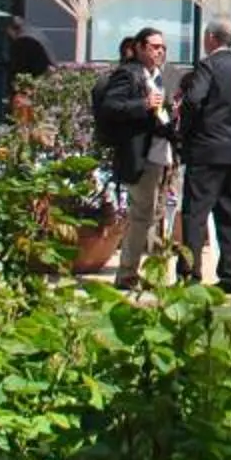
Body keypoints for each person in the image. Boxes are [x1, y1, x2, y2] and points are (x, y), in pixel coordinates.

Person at [172, 20, 231, 293]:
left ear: (210, 37)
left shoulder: (208, 66)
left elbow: (194, 100)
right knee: (230, 215)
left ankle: (190, 274)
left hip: (206, 151)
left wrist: (184, 133)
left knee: (195, 215)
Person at [93, 28, 175, 286]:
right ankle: (127, 273)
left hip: (163, 153)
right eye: (153, 46)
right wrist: (144, 105)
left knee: (156, 214)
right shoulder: (128, 74)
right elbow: (110, 107)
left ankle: (152, 274)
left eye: (162, 47)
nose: (159, 51)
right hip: (141, 155)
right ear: (139, 48)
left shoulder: (161, 76)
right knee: (141, 214)